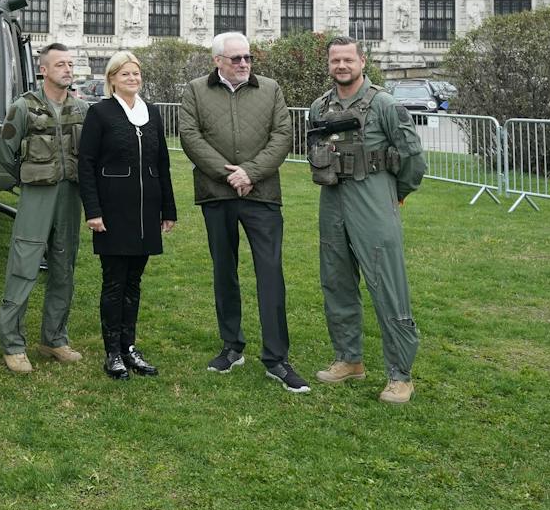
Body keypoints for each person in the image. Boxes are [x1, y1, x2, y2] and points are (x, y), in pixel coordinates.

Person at [178, 32, 308, 393]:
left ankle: (276, 359)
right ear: (217, 60)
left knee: (270, 274)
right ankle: (231, 346)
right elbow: (190, 136)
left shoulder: (270, 88)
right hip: (216, 194)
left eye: (248, 57)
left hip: (262, 194)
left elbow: (282, 134)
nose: (244, 64)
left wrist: (250, 173)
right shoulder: (195, 90)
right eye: (235, 58)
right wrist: (229, 174)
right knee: (225, 272)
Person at [307, 36, 427, 405]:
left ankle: (400, 375)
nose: (341, 66)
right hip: (333, 201)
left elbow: (412, 158)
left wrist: (397, 193)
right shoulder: (320, 106)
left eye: (348, 60)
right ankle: (349, 359)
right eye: (335, 61)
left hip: (373, 199)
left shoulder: (385, 105)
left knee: (387, 285)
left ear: (363, 61)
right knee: (336, 280)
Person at [76, 51, 176, 380]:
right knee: (114, 282)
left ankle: (129, 347)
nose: (132, 78)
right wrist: (93, 210)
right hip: (112, 210)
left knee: (134, 282)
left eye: (136, 73)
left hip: (146, 210)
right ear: (112, 79)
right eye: (125, 74)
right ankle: (112, 352)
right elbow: (86, 164)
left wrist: (168, 209)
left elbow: (162, 162)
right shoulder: (100, 113)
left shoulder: (152, 113)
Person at [0, 42, 88, 373]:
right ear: (43, 69)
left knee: (64, 265)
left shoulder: (81, 109)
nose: (68, 69)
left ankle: (54, 339)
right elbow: (5, 152)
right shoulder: (23, 106)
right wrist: (27, 178)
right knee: (25, 262)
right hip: (37, 194)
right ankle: (12, 343)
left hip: (69, 196)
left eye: (71, 64)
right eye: (60, 64)